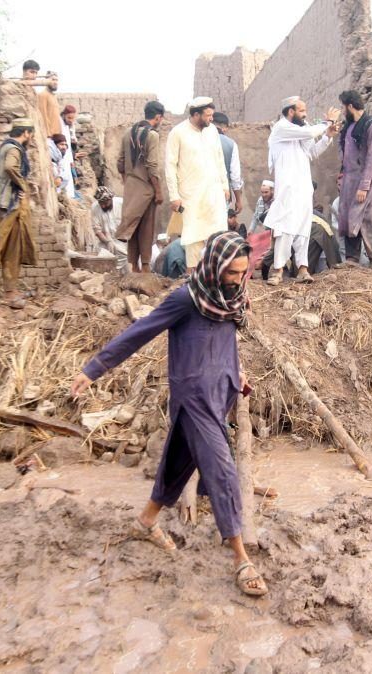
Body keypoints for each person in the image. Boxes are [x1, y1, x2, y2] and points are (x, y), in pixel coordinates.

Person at [71, 232, 267, 597]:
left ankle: (146, 520)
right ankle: (240, 558)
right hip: (193, 398)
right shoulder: (186, 300)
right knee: (223, 470)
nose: (239, 279)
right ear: (214, 267)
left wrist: (235, 372)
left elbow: (225, 342)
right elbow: (138, 332)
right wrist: (93, 369)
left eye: (244, 272)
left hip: (218, 394)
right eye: (233, 273)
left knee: (179, 460)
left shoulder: (230, 298)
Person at [264, 95, 341, 285]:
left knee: (303, 227)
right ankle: (278, 270)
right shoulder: (281, 128)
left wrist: (328, 137)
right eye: (302, 111)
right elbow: (309, 134)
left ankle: (303, 269)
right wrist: (328, 122)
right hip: (287, 188)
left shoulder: (301, 130)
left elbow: (312, 152)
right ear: (291, 112)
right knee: (285, 228)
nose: (305, 115)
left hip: (303, 188)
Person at [165, 97, 229, 273]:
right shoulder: (177, 133)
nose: (211, 119)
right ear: (195, 115)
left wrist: (225, 185)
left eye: (212, 115)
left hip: (214, 191)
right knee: (193, 234)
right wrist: (174, 196)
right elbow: (170, 166)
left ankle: (215, 274)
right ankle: (192, 275)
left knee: (217, 232)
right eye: (207, 115)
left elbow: (219, 159)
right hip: (190, 194)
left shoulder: (212, 132)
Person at [0, 118, 37, 309]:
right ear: (26, 133)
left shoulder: (4, 147)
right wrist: (22, 185)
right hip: (10, 205)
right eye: (31, 134)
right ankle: (10, 292)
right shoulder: (14, 149)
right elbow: (10, 167)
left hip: (2, 203)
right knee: (12, 248)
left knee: (10, 247)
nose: (31, 138)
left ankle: (11, 288)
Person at [117, 100, 166, 272]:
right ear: (158, 117)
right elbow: (152, 166)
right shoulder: (152, 135)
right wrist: (158, 191)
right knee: (146, 227)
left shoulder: (128, 133)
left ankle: (133, 266)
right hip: (146, 188)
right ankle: (145, 266)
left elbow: (120, 163)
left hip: (131, 187)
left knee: (133, 227)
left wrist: (128, 180)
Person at [337, 90, 372, 266]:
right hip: (349, 179)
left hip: (366, 180)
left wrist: (364, 186)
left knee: (368, 218)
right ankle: (352, 258)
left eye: (343, 107)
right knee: (348, 217)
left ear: (350, 106)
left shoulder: (371, 127)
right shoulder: (348, 127)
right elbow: (345, 153)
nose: (342, 111)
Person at [213, 112, 244, 216]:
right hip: (221, 195)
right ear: (224, 127)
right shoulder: (230, 144)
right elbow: (235, 176)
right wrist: (238, 200)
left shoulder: (198, 139)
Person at [58, 105, 78, 198]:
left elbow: (69, 146)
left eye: (72, 118)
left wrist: (71, 160)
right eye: (69, 118)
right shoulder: (60, 124)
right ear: (64, 115)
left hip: (68, 158)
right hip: (61, 157)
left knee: (69, 180)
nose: (71, 120)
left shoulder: (69, 126)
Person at [37, 72, 61, 138]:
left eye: (56, 80)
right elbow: (43, 115)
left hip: (57, 135)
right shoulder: (43, 95)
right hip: (49, 135)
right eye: (53, 80)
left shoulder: (54, 96)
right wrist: (48, 134)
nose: (55, 82)